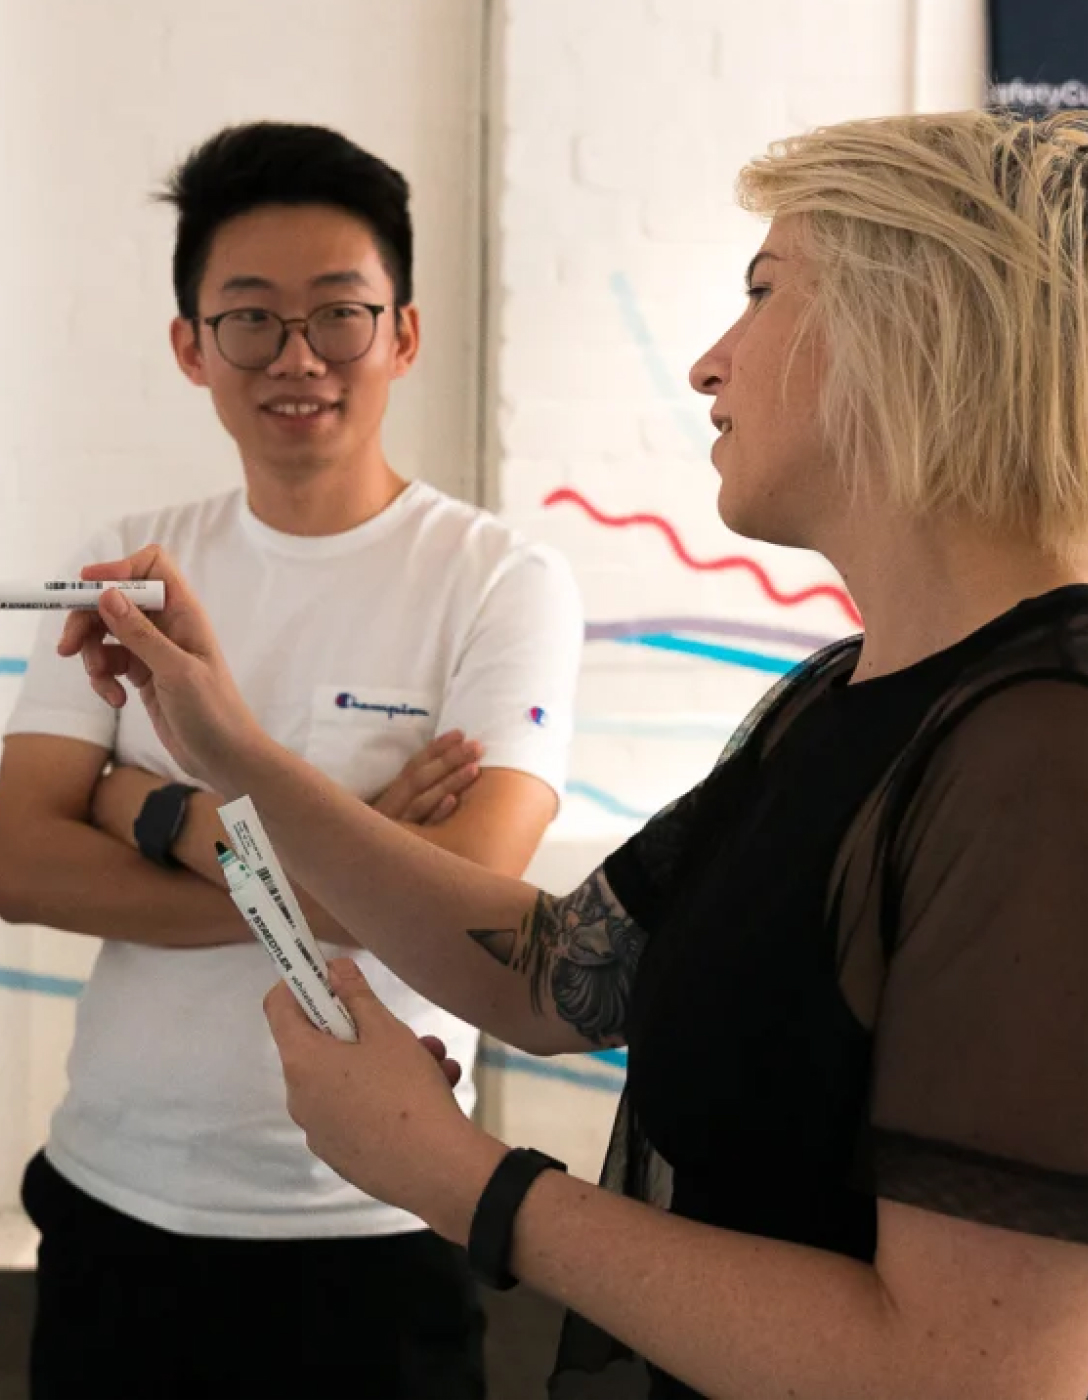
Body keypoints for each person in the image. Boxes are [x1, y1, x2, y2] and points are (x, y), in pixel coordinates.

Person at [59, 108, 1088, 1400]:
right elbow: (564, 975)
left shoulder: (1045, 753)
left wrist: (465, 1181)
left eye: (765, 294)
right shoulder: (833, 699)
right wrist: (233, 754)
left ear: (916, 329)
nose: (711, 363)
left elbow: (980, 1373)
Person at [0, 122, 583, 1400]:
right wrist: (358, 858)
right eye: (251, 318)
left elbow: (470, 899)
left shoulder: (503, 582)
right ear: (190, 346)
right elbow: (14, 858)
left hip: (374, 1217)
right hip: (117, 1200)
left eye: (340, 314)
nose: (299, 357)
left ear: (404, 333)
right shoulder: (131, 561)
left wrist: (155, 808)